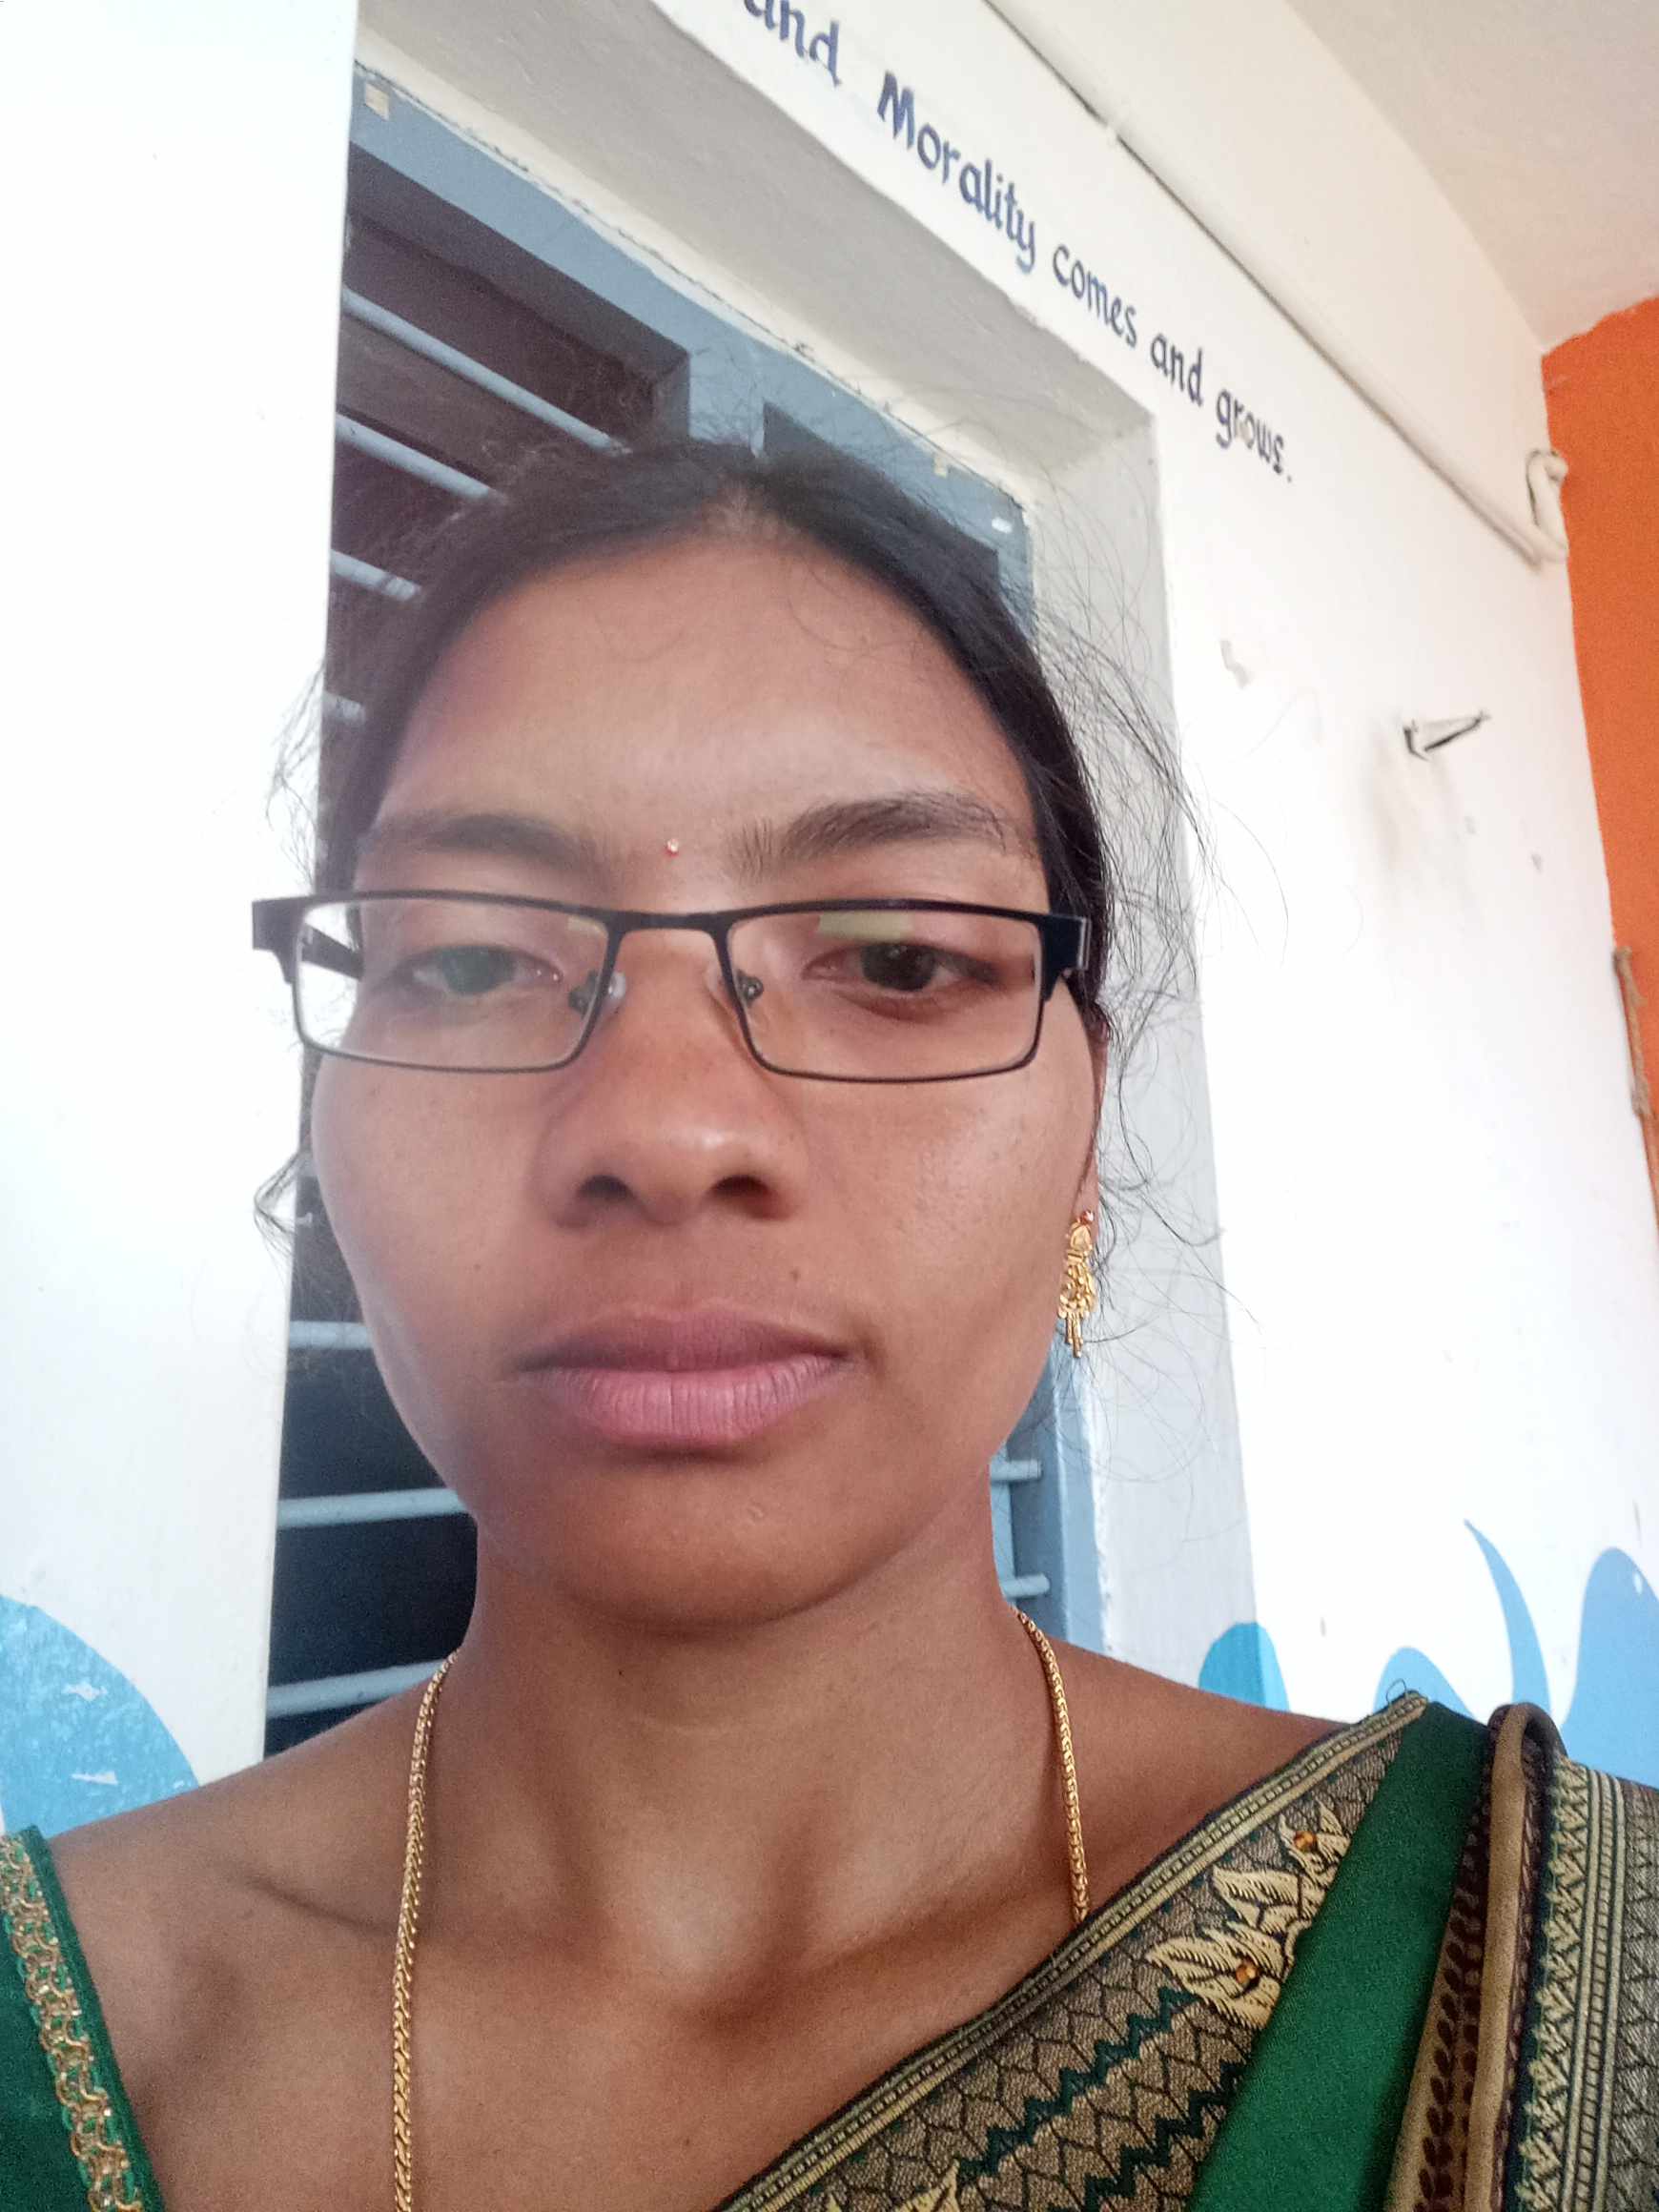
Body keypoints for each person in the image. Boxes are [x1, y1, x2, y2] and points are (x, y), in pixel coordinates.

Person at [1, 440, 1653, 2212]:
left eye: (898, 961)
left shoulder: (1546, 1964)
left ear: (1086, 1137)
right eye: (470, 961)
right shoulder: (65, 2041)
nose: (668, 1129)